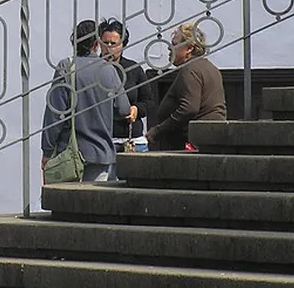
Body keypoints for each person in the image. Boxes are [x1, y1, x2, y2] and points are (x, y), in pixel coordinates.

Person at [41, 19, 131, 183]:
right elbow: (124, 109)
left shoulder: (67, 67)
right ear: (96, 44)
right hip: (101, 154)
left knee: (68, 204)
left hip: (69, 154)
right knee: (96, 205)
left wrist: (47, 151)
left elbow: (55, 113)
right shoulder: (108, 69)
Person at [146, 22, 227, 151]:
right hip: (209, 137)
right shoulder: (210, 67)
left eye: (174, 44)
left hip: (196, 141)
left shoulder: (190, 70)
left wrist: (157, 131)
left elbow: (188, 108)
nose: (169, 49)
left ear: (189, 48)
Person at [99, 19, 158, 161]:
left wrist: (136, 109)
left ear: (123, 45)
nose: (109, 48)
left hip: (131, 140)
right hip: (102, 141)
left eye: (114, 44)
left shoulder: (133, 69)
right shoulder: (94, 70)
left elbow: (149, 101)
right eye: (105, 43)